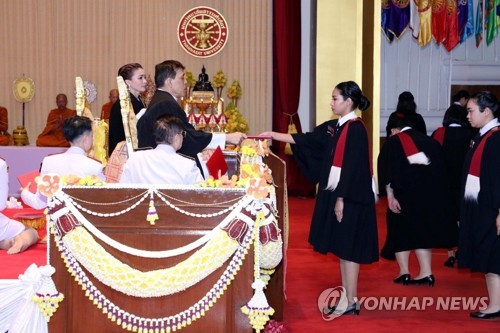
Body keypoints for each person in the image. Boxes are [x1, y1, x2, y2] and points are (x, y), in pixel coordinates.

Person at [260, 81, 378, 316]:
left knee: (349, 250)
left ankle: (351, 301)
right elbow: (308, 140)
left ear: (349, 101)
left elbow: (353, 168)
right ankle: (347, 297)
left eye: (335, 98)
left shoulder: (355, 129)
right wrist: (274, 135)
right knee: (343, 249)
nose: (331, 102)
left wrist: (341, 198)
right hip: (339, 194)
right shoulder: (336, 126)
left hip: (350, 197)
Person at [378, 116, 457, 287]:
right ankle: (426, 273)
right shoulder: (430, 141)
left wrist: (390, 195)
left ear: (393, 130)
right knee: (423, 233)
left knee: (400, 232)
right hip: (430, 197)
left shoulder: (393, 142)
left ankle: (404, 272)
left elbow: (387, 171)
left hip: (403, 196)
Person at [137, 60, 246, 174]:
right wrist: (227, 138)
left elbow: (185, 136)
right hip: (163, 169)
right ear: (169, 82)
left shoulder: (162, 99)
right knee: (217, 173)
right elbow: (186, 137)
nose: (186, 83)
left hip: (161, 164)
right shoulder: (165, 103)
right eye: (182, 78)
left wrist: (203, 146)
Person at [458, 91, 500, 319]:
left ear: (487, 111)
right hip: (482, 207)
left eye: (471, 111)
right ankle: (495, 302)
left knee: (493, 255)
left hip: (491, 209)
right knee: (488, 253)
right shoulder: (483, 136)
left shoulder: (495, 138)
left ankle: (495, 305)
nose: (467, 116)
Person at [22, 116, 105, 209]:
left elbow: (39, 203)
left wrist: (24, 193)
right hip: (85, 221)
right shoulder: (96, 166)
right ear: (85, 138)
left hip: (56, 222)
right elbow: (101, 203)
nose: (93, 139)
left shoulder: (48, 161)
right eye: (92, 136)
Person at [431, 105, 473, 268]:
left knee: (449, 218)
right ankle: (463, 250)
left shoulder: (439, 133)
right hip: (465, 183)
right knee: (462, 218)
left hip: (444, 183)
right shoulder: (471, 134)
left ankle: (450, 253)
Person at [121, 116, 203, 185]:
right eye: (183, 134)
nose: (183, 138)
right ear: (176, 138)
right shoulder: (188, 165)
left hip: (142, 203)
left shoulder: (135, 158)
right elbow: (200, 196)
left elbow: (123, 190)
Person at [0, 158, 39, 254]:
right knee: (31, 232)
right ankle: (17, 241)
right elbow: (1, 204)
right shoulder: (1, 164)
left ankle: (12, 241)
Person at [108, 63, 147, 155]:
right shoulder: (122, 105)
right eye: (140, 78)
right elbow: (117, 135)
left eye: (144, 77)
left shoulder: (139, 100)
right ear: (128, 82)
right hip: (125, 154)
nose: (145, 81)